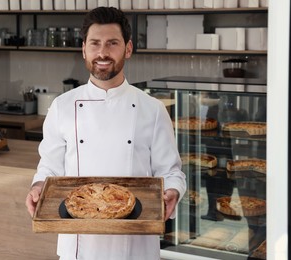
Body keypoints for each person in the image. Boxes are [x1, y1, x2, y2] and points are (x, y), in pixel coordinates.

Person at [25, 7, 186, 260]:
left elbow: (171, 171)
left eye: (112, 43)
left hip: (135, 245)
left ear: (128, 48)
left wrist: (173, 191)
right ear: (84, 49)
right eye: (95, 44)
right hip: (77, 244)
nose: (102, 53)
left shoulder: (152, 109)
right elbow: (50, 167)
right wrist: (37, 186)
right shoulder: (62, 106)